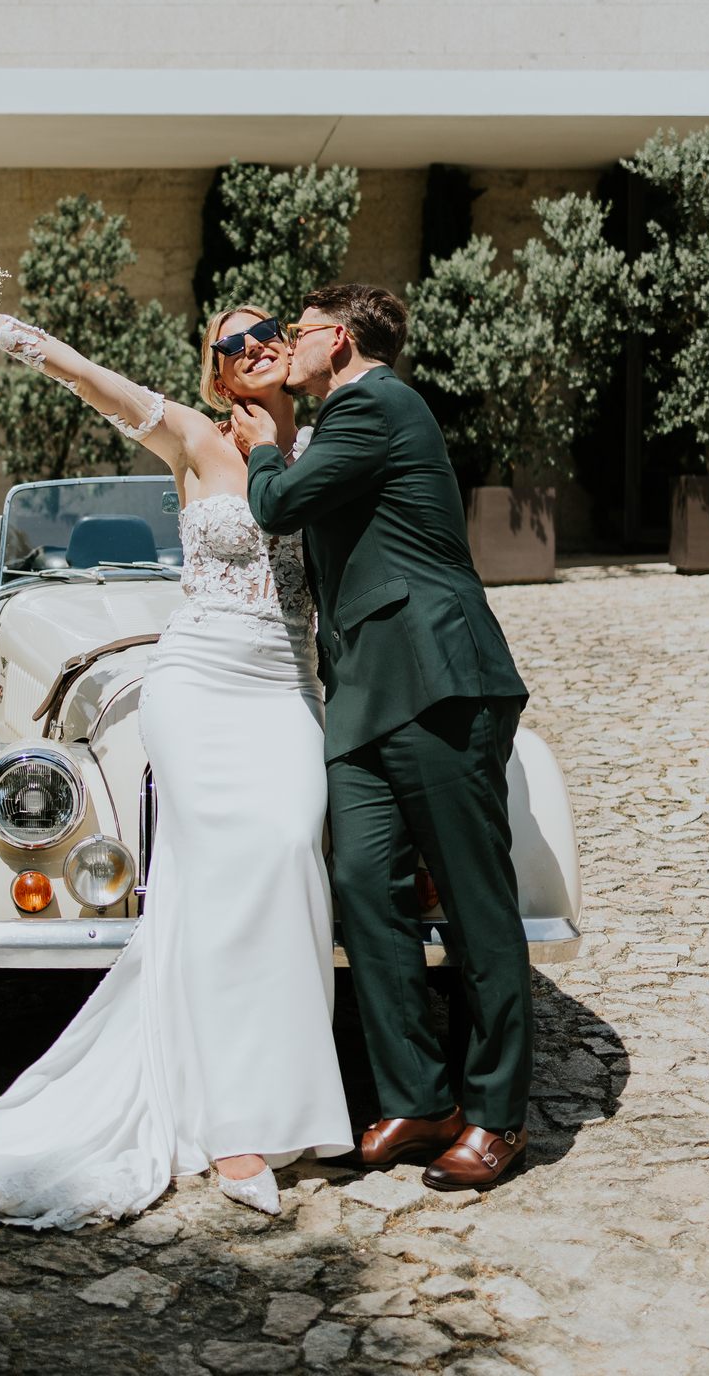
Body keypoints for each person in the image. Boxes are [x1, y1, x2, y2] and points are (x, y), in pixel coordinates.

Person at [0, 288, 352, 1270]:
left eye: (266, 333)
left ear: (292, 353)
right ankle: (233, 1128)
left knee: (295, 850)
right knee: (210, 889)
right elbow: (80, 372)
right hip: (198, 684)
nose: (251, 348)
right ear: (216, 371)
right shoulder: (190, 441)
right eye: (230, 342)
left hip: (284, 689)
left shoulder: (333, 449)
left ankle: (294, 1100)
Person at [232, 282, 533, 1193]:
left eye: (297, 331)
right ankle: (417, 1096)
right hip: (360, 694)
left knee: (478, 911)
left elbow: (280, 507)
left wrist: (258, 452)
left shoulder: (375, 404)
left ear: (340, 338)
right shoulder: (346, 419)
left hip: (435, 679)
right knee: (365, 883)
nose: (284, 344)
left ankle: (496, 1117)